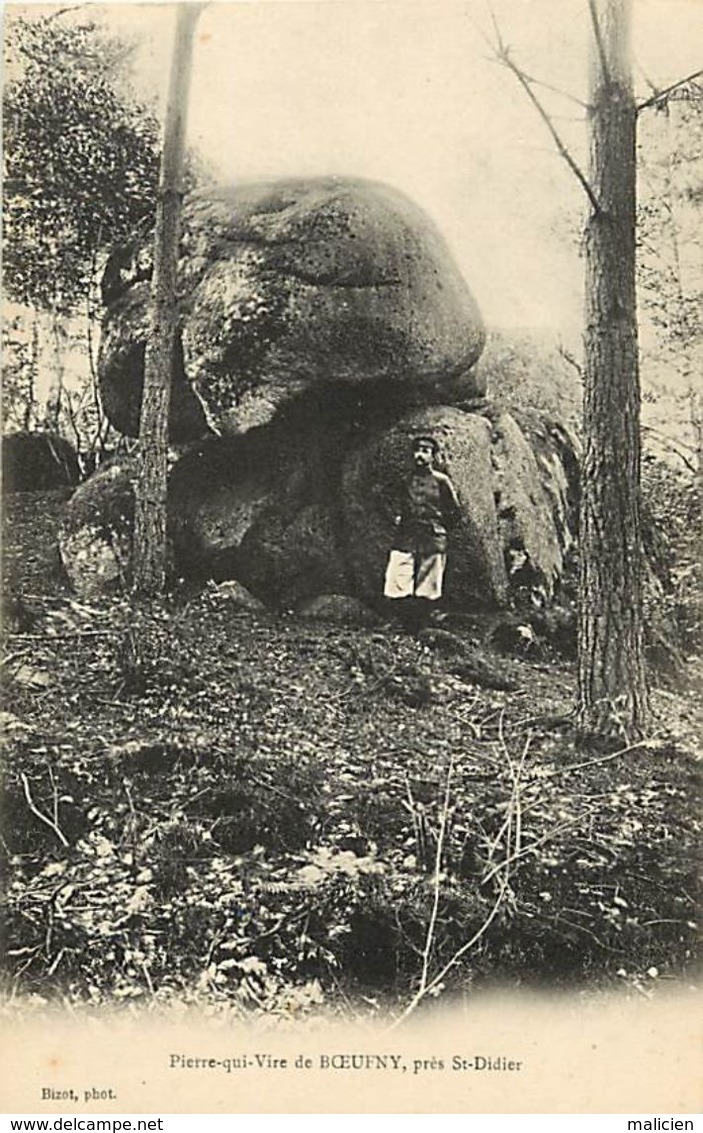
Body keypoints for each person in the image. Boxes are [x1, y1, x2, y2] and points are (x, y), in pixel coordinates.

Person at [383, 435, 461, 631]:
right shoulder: (405, 480)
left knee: (429, 579)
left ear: (433, 457)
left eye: (425, 452)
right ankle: (399, 621)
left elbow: (454, 511)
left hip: (432, 535)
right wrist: (396, 517)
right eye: (417, 451)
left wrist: (440, 526)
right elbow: (390, 501)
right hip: (406, 534)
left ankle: (421, 623)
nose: (420, 455)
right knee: (399, 573)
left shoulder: (441, 481)